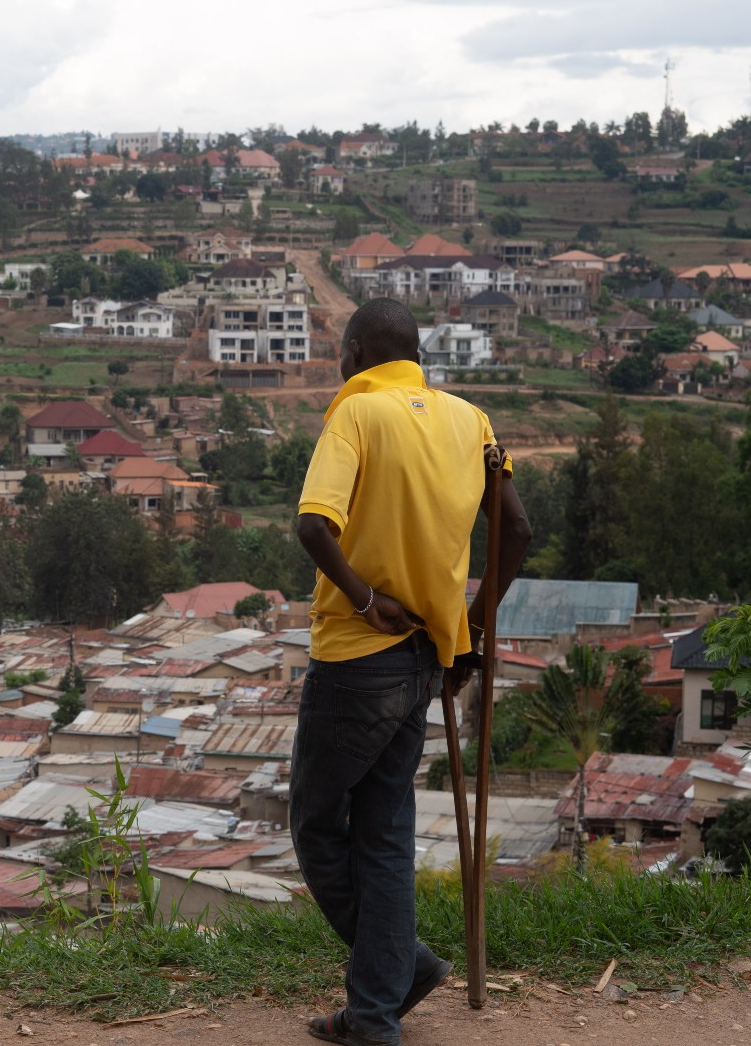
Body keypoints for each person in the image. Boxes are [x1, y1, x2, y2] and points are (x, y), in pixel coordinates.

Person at [291, 297, 532, 1045]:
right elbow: (516, 529)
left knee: (314, 822)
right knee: (384, 834)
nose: (340, 363)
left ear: (359, 349)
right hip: (429, 656)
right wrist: (474, 627)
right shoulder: (472, 421)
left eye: (342, 351)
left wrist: (364, 599)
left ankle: (403, 967)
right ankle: (375, 1005)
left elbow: (311, 524)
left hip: (356, 657)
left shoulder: (356, 413)